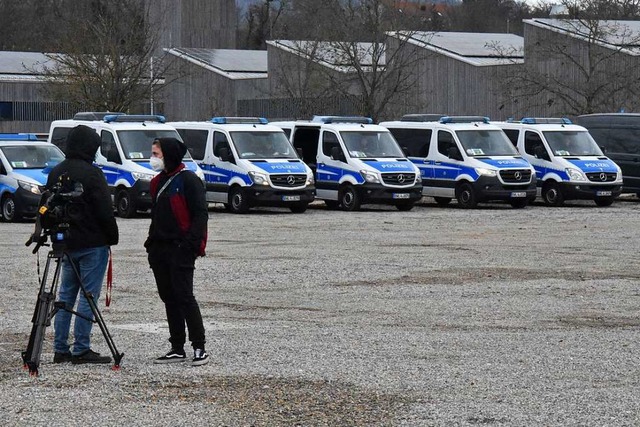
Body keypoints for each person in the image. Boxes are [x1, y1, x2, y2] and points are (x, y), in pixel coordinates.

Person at [49, 125, 119, 364]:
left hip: (66, 243)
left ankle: (60, 347)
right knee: (88, 296)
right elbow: (104, 210)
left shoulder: (56, 171)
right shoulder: (92, 174)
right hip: (92, 242)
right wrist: (112, 236)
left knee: (65, 295)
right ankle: (81, 348)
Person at [145, 137, 209, 366]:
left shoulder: (189, 180)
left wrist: (190, 244)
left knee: (184, 296)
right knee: (169, 298)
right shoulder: (157, 182)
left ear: (169, 155)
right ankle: (177, 346)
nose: (153, 158)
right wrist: (150, 243)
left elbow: (200, 214)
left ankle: (199, 345)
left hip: (180, 248)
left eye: (156, 154)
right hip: (159, 248)